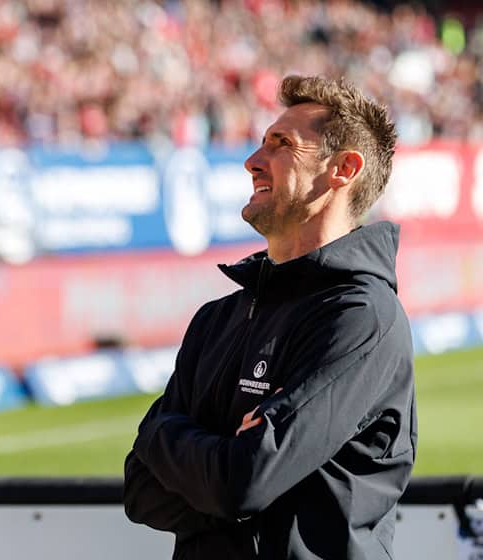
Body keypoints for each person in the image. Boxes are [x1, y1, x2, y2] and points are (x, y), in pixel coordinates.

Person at [123, 75, 415, 559]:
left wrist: (162, 434)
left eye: (282, 144)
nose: (252, 161)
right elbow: (139, 492)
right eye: (261, 142)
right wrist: (221, 466)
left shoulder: (361, 318)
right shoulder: (216, 319)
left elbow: (245, 482)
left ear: (343, 169)